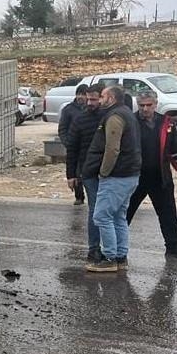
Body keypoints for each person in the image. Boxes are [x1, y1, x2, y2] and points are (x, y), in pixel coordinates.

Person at [81, 86, 141, 272]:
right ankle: (121, 256)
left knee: (101, 216)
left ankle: (109, 258)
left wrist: (104, 172)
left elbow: (112, 148)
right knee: (118, 216)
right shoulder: (127, 113)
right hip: (129, 174)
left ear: (112, 98)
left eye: (103, 96)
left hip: (117, 176)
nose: (100, 99)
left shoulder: (115, 117)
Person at [126, 91, 177, 257]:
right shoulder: (130, 121)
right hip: (135, 177)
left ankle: (173, 246)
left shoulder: (167, 123)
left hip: (160, 176)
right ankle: (113, 247)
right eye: (142, 105)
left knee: (168, 213)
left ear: (155, 104)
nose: (145, 109)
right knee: (125, 213)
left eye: (149, 105)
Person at [65, 84, 105, 262]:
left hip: (111, 172)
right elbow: (72, 149)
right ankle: (94, 248)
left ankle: (114, 249)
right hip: (89, 172)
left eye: (94, 99)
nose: (90, 103)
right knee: (95, 210)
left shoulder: (110, 117)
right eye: (88, 99)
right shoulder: (80, 119)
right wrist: (71, 175)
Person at [59, 84, 89, 205]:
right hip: (74, 147)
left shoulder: (92, 108)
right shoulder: (68, 109)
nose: (80, 97)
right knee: (75, 172)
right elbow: (62, 129)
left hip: (88, 147)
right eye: (79, 94)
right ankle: (79, 196)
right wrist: (68, 143)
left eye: (83, 94)